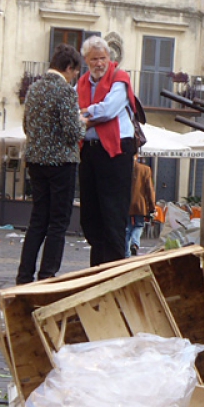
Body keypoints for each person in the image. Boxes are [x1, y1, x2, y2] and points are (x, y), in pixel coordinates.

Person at [16, 43, 86, 285]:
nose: (76, 76)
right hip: (61, 163)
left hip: (36, 160)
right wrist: (83, 121)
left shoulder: (34, 88)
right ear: (68, 67)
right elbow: (72, 132)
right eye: (75, 71)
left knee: (38, 219)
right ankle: (47, 275)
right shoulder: (65, 91)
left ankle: (24, 275)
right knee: (58, 221)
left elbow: (27, 126)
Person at [77, 36, 137, 266]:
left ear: (109, 58)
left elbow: (110, 109)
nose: (99, 63)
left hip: (116, 151)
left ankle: (113, 269)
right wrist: (90, 116)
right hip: (90, 152)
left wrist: (85, 114)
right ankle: (97, 268)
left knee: (113, 214)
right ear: (87, 60)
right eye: (94, 59)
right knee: (91, 216)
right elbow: (77, 111)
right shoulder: (81, 84)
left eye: (103, 58)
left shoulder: (120, 79)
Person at [126, 156, 156, 257]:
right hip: (140, 204)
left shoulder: (124, 168)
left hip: (126, 204)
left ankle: (126, 253)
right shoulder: (145, 170)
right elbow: (149, 190)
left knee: (127, 228)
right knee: (139, 225)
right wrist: (152, 207)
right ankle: (135, 243)